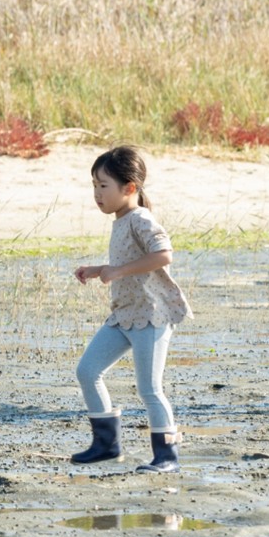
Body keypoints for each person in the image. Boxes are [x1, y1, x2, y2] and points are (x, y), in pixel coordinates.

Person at [71, 146, 193, 473]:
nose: (97, 193)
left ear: (130, 188)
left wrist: (117, 272)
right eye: (93, 185)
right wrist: (100, 269)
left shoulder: (140, 218)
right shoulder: (121, 219)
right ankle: (106, 445)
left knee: (150, 388)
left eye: (103, 186)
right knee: (87, 371)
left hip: (151, 316)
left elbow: (164, 254)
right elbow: (125, 261)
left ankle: (167, 455)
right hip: (125, 314)